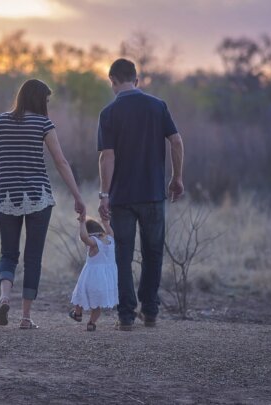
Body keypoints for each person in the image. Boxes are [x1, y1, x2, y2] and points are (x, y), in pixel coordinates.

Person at [0, 79, 86, 330]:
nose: (48, 105)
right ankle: (26, 317)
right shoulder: (44, 124)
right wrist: (77, 196)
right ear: (39, 100)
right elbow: (60, 162)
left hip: (6, 195)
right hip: (38, 196)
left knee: (8, 253)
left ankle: (5, 297)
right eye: (47, 100)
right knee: (33, 257)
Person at [97, 58, 185, 331]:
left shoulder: (109, 113)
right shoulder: (157, 106)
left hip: (122, 197)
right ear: (136, 79)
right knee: (153, 253)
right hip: (153, 193)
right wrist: (176, 177)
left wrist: (104, 194)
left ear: (112, 80)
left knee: (122, 255)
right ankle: (150, 311)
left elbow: (106, 157)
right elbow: (177, 141)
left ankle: (125, 316)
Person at [69, 216, 118, 332]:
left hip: (91, 278)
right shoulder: (110, 239)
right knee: (97, 305)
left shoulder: (94, 243)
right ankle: (91, 323)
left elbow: (84, 237)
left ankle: (78, 313)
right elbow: (110, 230)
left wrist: (81, 223)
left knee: (80, 295)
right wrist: (105, 222)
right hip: (106, 281)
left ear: (90, 233)